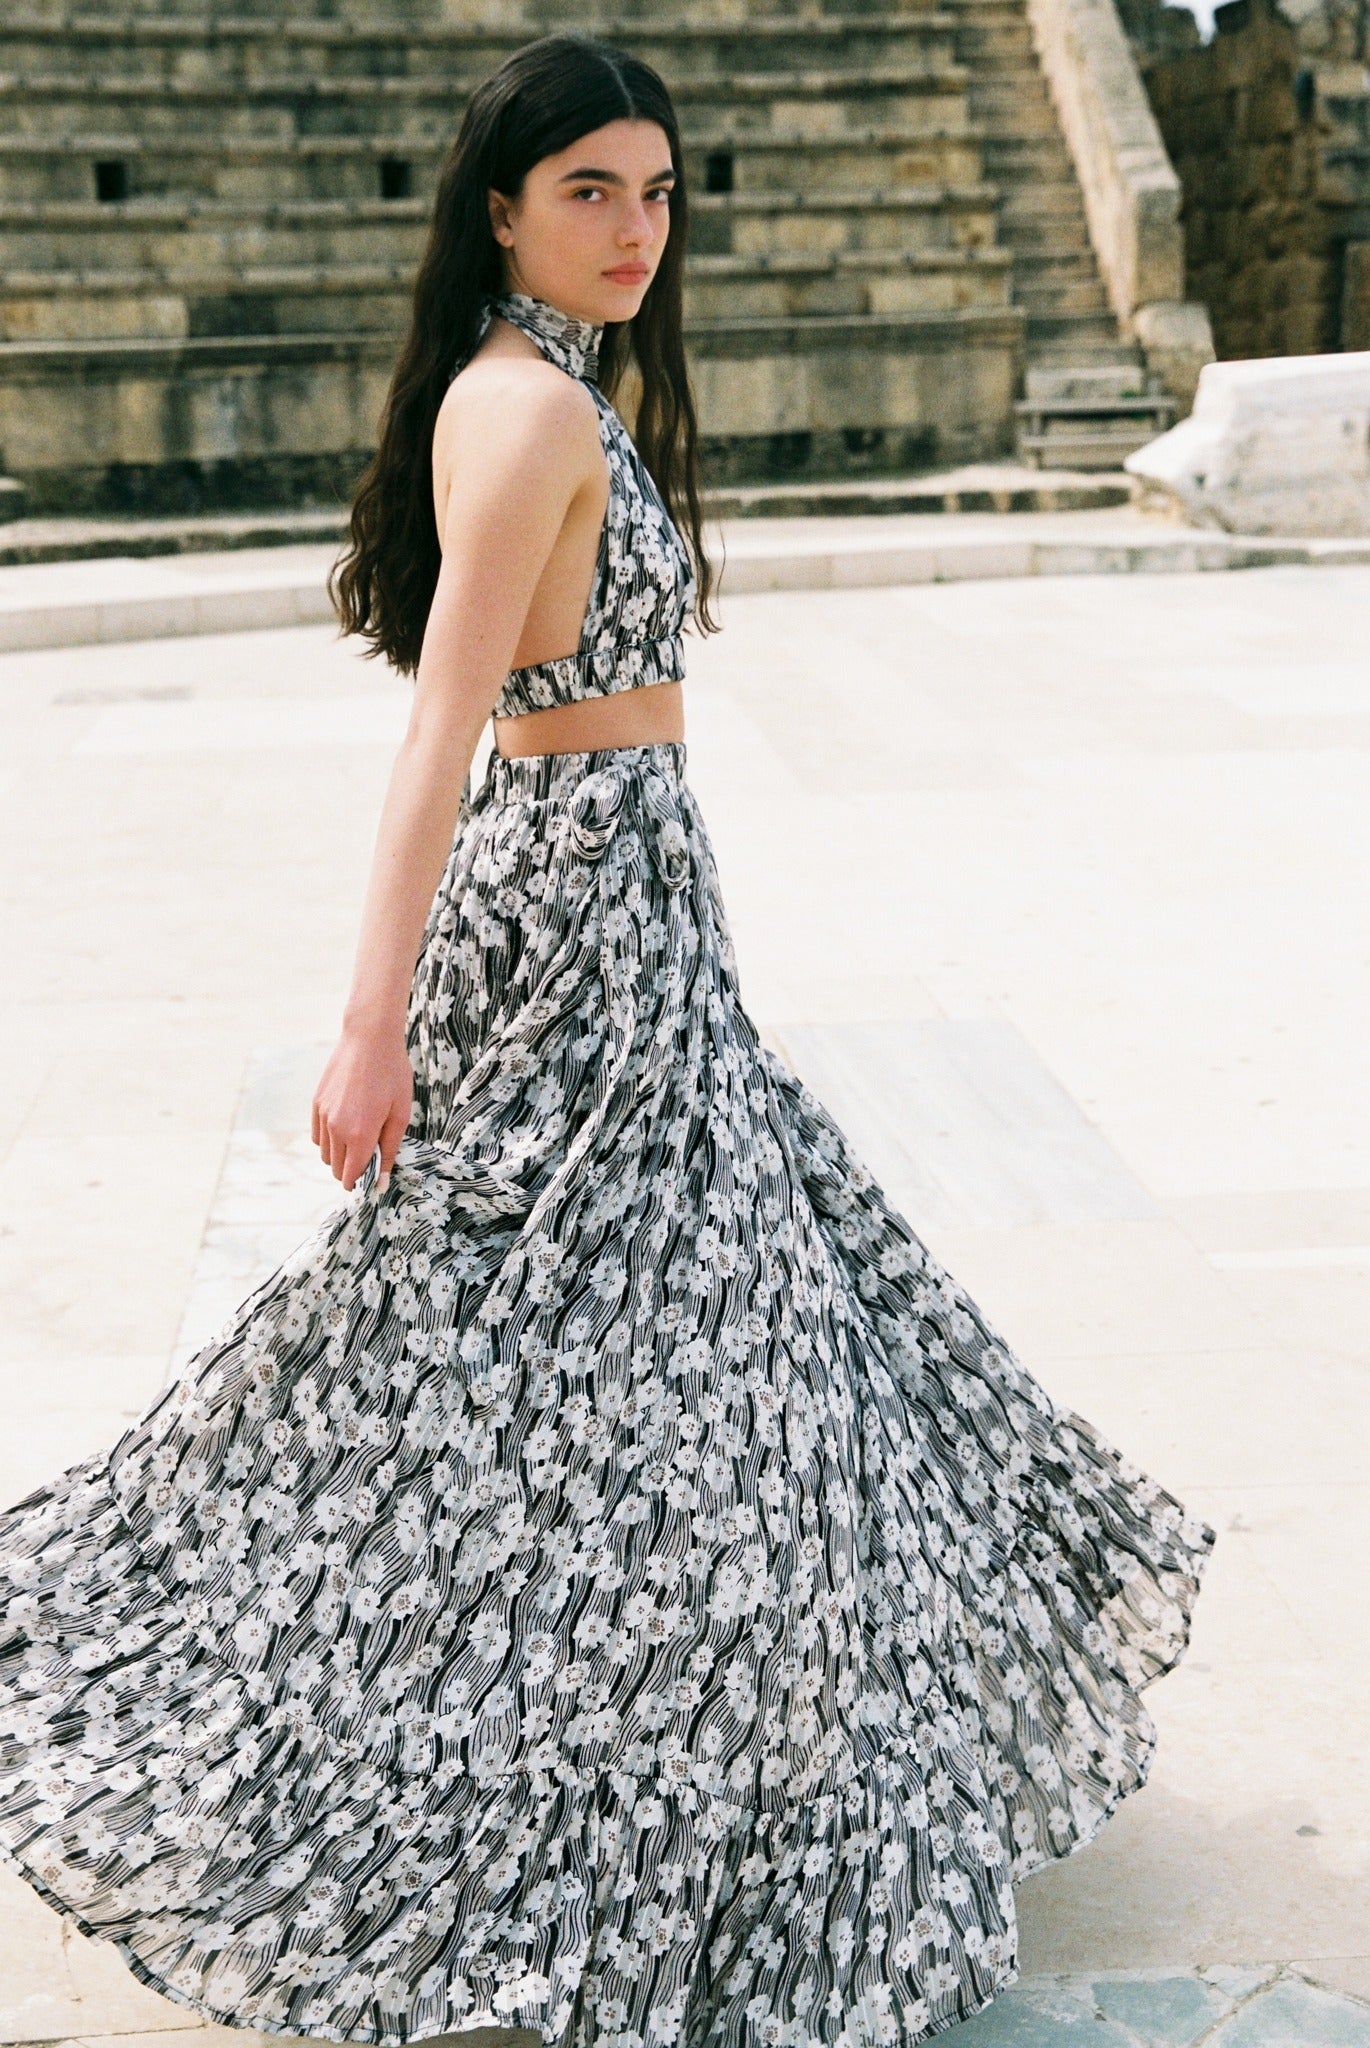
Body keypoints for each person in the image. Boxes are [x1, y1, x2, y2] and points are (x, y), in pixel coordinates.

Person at [0, 33, 1215, 2048]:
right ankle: (578, 1793)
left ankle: (684, 1784)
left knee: (673, 1354)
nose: (636, 229)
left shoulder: (551, 387)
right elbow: (440, 724)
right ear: (502, 210)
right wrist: (366, 1025)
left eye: (656, 193)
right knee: (613, 1360)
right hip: (569, 920)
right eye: (590, 192)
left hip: (634, 913)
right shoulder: (527, 409)